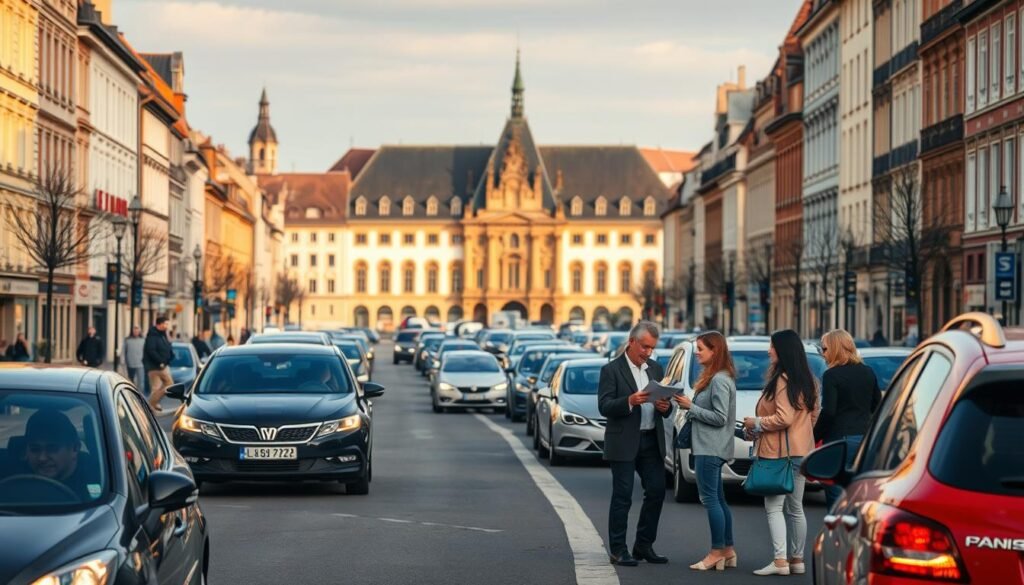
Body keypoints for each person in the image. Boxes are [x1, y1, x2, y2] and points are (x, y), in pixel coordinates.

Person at [743, 329, 819, 577]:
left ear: (783, 350)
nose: (768, 350)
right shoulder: (809, 379)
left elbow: (783, 417)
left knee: (774, 507)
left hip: (779, 453)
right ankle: (797, 560)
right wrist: (802, 433)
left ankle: (779, 562)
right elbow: (813, 415)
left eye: (772, 346)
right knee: (796, 508)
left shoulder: (782, 380)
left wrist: (756, 423)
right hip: (802, 451)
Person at [598, 321, 673, 567]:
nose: (648, 353)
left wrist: (665, 406)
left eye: (651, 348)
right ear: (632, 342)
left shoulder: (656, 368)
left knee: (657, 490)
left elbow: (664, 404)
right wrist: (629, 400)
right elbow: (604, 406)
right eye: (644, 347)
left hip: (651, 440)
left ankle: (644, 545)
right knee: (623, 496)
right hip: (624, 440)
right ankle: (619, 550)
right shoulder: (611, 370)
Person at [674, 331, 738, 571]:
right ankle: (728, 550)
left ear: (715, 351)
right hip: (712, 446)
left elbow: (720, 417)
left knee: (710, 499)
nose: (697, 352)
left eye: (701, 348)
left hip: (710, 447)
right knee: (718, 499)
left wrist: (691, 407)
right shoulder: (717, 377)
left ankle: (716, 552)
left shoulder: (720, 379)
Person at [816, 329, 880, 510]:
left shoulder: (831, 375)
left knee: (835, 493)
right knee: (858, 492)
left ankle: (836, 532)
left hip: (838, 439)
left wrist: (813, 436)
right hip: (863, 439)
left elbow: (829, 412)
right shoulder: (868, 372)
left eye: (825, 349)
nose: (823, 353)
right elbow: (877, 406)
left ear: (836, 349)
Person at [23, 409, 91, 500]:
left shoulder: (101, 478)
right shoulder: (10, 475)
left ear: (75, 449)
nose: (42, 458)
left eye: (52, 449)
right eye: (35, 449)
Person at [143, 317, 174, 412]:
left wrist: (170, 356)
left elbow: (168, 347)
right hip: (155, 366)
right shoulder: (152, 336)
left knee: (166, 385)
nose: (167, 326)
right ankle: (151, 405)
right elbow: (151, 351)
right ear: (159, 324)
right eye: (165, 324)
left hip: (163, 365)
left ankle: (152, 404)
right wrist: (160, 361)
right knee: (159, 387)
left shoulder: (163, 334)